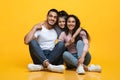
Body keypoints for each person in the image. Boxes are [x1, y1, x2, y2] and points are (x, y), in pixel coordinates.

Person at [24, 9, 66, 73]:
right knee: (32, 41)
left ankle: (41, 67)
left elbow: (67, 33)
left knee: (61, 44)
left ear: (56, 20)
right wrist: (34, 27)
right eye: (50, 16)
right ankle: (49, 66)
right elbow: (26, 41)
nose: (52, 18)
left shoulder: (56, 29)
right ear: (47, 16)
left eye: (55, 17)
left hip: (53, 55)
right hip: (39, 56)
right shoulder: (40, 28)